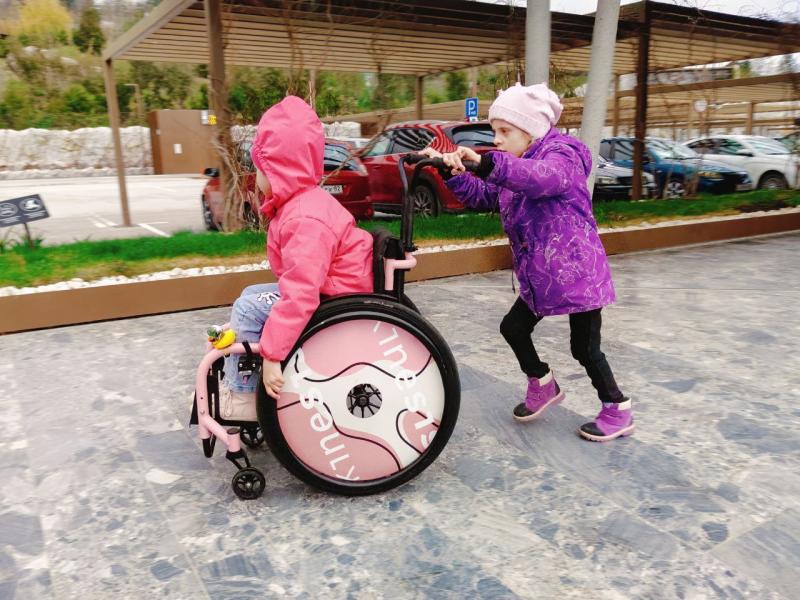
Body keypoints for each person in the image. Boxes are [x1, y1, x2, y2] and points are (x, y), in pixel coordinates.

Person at [420, 82, 633, 442]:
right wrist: (450, 171)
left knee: (584, 349)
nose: (497, 140)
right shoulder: (515, 165)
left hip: (578, 272)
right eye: (495, 131)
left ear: (531, 130)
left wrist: (487, 162)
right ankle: (543, 383)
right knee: (513, 329)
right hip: (540, 274)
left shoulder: (563, 155)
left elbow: (542, 178)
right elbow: (484, 195)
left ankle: (617, 408)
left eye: (505, 131)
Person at [217, 96, 374, 420]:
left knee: (248, 307)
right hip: (334, 290)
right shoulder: (302, 204)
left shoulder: (304, 219)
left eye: (260, 168)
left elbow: (301, 292)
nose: (257, 177)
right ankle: (246, 362)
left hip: (334, 299)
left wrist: (273, 354)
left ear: (277, 170)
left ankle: (244, 397)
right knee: (250, 295)